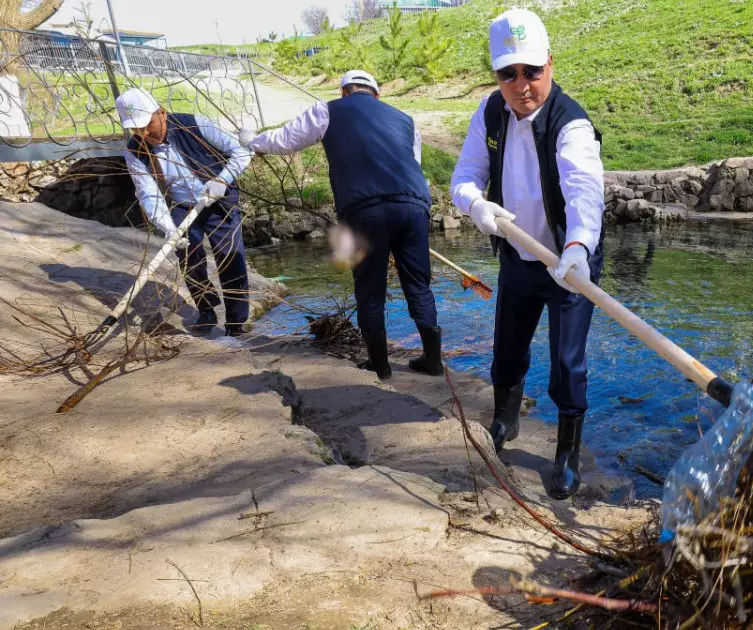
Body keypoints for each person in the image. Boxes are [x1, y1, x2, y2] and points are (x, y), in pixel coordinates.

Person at [450, 8, 604, 500]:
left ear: (550, 65)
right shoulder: (490, 112)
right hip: (518, 257)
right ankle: (504, 421)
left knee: (567, 363)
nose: (521, 85)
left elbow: (585, 193)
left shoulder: (571, 124)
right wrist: (476, 204)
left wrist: (578, 249)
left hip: (568, 266)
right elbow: (464, 177)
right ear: (497, 75)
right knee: (508, 347)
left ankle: (565, 453)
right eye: (508, 73)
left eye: (531, 71)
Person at [239, 70, 441, 380]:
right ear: (376, 94)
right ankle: (433, 361)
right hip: (413, 207)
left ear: (344, 91)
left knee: (370, 290)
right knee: (418, 285)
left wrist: (253, 142)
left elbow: (286, 140)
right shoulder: (405, 119)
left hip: (364, 211)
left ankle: (381, 367)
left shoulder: (327, 109)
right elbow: (412, 162)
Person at [117, 87, 253, 337]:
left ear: (161, 113)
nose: (144, 133)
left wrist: (222, 180)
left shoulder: (195, 126)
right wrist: (167, 227)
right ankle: (207, 309)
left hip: (220, 199)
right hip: (182, 205)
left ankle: (235, 323)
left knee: (229, 256)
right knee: (190, 259)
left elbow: (242, 151)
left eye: (147, 125)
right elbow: (148, 192)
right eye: (136, 129)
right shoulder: (134, 151)